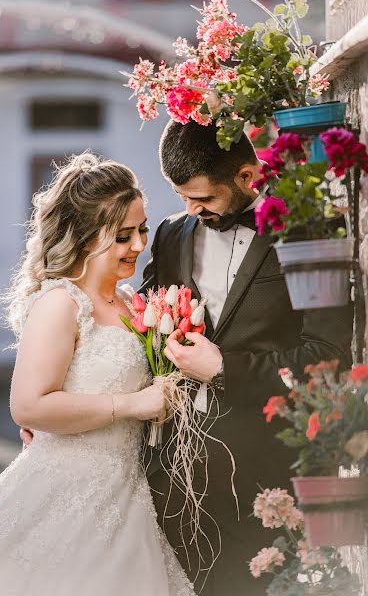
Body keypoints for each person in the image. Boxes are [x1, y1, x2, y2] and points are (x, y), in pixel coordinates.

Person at [142, 120, 354, 595]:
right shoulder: (172, 235)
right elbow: (144, 327)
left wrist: (224, 370)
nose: (193, 211)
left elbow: (328, 355)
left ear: (245, 176)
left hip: (268, 478)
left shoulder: (307, 230)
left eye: (205, 200)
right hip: (178, 478)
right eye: (182, 199)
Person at [0, 153, 195, 596]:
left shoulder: (133, 304)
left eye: (142, 230)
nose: (138, 246)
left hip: (128, 495)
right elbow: (28, 405)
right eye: (123, 236)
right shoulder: (61, 304)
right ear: (87, 237)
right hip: (65, 495)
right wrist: (132, 404)